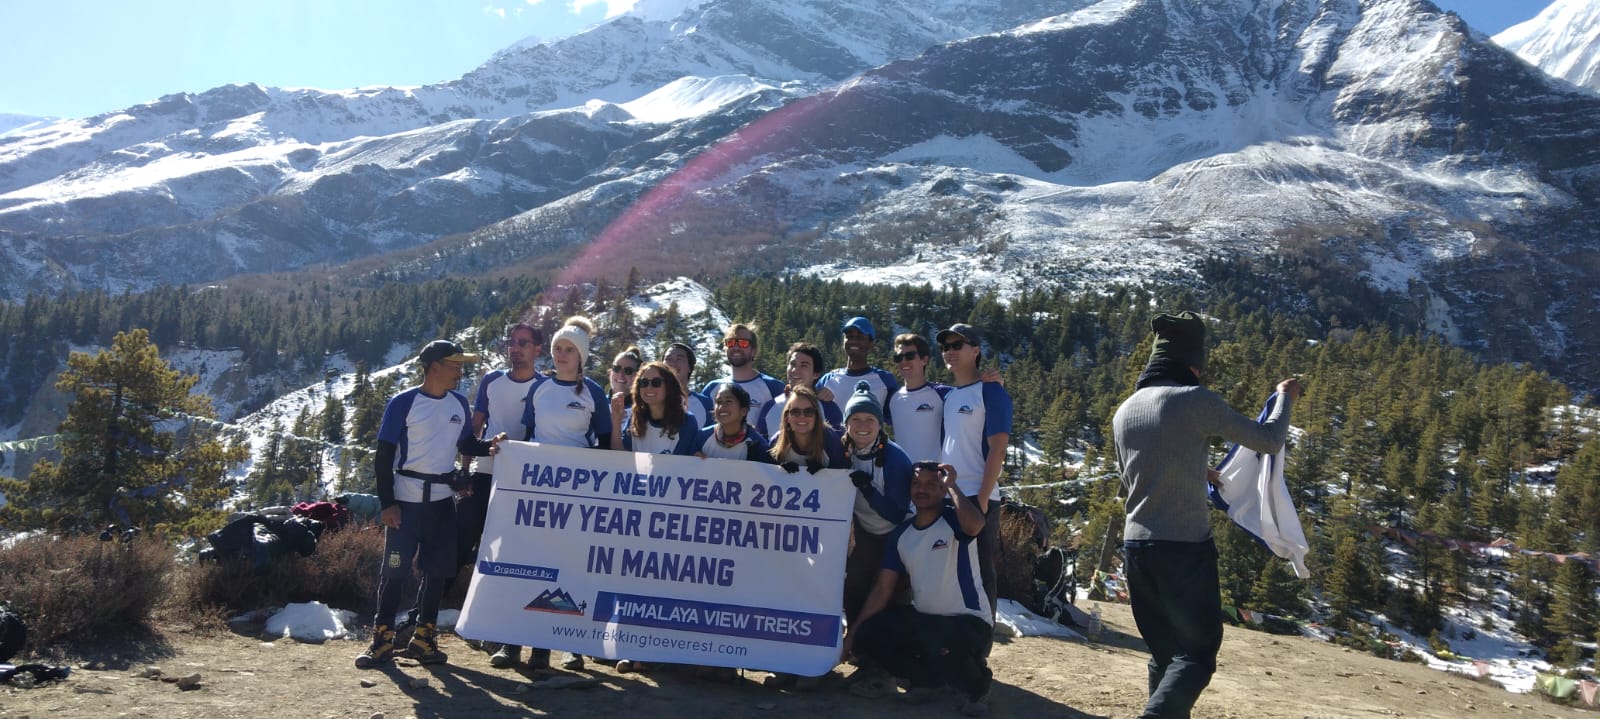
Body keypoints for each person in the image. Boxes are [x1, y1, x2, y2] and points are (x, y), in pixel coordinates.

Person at [1112, 311, 1301, 719]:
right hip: (1183, 547)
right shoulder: (1194, 399)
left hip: (1135, 545)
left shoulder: (1125, 410)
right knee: (1197, 653)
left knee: (1164, 655)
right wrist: (1284, 396)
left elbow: (1133, 480)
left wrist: (1201, 471)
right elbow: (1267, 440)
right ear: (1191, 363)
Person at [356, 340, 505, 669]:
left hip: (441, 505)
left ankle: (423, 640)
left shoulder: (458, 404)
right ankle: (382, 641)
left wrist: (488, 447)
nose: (460, 370)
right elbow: (383, 458)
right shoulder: (403, 403)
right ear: (434, 365)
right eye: (454, 364)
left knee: (436, 573)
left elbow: (465, 443)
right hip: (406, 505)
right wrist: (388, 504)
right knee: (393, 573)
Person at [496, 316, 612, 671]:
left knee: (568, 567)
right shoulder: (540, 388)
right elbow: (528, 436)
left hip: (576, 496)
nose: (561, 355)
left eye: (569, 350)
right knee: (528, 565)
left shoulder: (593, 393)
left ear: (581, 356)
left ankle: (558, 645)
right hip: (537, 492)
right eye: (557, 348)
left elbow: (605, 445)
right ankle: (511, 642)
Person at [843, 461, 992, 716]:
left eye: (931, 484)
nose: (922, 489)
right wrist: (852, 635)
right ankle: (926, 683)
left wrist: (952, 485)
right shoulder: (902, 535)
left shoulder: (954, 520)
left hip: (968, 623)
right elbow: (882, 588)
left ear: (942, 489)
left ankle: (975, 683)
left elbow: (975, 526)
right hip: (925, 620)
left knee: (941, 642)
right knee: (872, 632)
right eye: (916, 483)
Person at [936, 323, 1011, 619]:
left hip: (977, 498)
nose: (950, 351)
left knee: (980, 576)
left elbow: (998, 449)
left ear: (975, 351)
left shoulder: (990, 391)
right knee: (951, 576)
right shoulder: (950, 397)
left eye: (958, 345)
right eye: (946, 346)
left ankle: (980, 647)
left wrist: (981, 500)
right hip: (948, 496)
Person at [459, 323, 542, 586]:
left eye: (523, 343)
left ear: (537, 349)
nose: (515, 348)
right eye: (512, 342)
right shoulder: (491, 380)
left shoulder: (545, 386)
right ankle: (433, 608)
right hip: (485, 471)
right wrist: (464, 470)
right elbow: (475, 426)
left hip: (522, 479)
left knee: (509, 546)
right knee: (464, 536)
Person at [839, 381, 913, 626]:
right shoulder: (842, 451)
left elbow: (895, 513)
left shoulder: (895, 459)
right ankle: (858, 646)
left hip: (899, 534)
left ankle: (885, 655)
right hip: (866, 533)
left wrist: (867, 488)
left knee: (890, 592)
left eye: (869, 419)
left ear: (880, 425)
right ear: (846, 424)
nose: (862, 426)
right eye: (855, 419)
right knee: (854, 585)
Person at [884, 333, 950, 468]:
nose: (904, 361)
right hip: (903, 476)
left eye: (909, 356)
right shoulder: (892, 399)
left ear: (924, 360)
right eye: (899, 357)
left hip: (934, 478)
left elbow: (971, 396)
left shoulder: (943, 394)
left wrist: (992, 384)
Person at [756, 342, 842, 438]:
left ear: (816, 374)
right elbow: (760, 447)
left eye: (804, 365)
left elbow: (838, 447)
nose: (795, 370)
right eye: (792, 364)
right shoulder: (770, 407)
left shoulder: (829, 408)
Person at [611, 361, 698, 456]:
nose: (649, 387)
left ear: (669, 387)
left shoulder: (686, 421)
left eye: (656, 382)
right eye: (644, 382)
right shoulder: (635, 419)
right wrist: (616, 420)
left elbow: (681, 464)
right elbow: (619, 458)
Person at [818, 316, 900, 418]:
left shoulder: (885, 380)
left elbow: (897, 417)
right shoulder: (827, 380)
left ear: (871, 344)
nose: (853, 341)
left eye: (860, 337)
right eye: (849, 337)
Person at [701, 323, 786, 410]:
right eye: (731, 343)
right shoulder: (712, 388)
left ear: (753, 350)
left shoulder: (774, 387)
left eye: (743, 343)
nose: (736, 347)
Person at [768, 385, 848, 473]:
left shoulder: (830, 439)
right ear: (787, 417)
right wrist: (779, 470)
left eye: (808, 412)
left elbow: (842, 474)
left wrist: (825, 473)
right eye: (795, 412)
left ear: (816, 416)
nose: (802, 416)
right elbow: (766, 476)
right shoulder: (777, 442)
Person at [693, 384, 774, 462]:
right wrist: (693, 458)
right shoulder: (702, 437)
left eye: (728, 401)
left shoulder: (757, 444)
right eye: (718, 402)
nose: (721, 407)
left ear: (743, 411)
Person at [664, 342, 714, 430]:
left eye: (679, 359)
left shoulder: (706, 404)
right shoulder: (649, 400)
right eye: (669, 359)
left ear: (690, 367)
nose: (673, 363)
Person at [607, 346, 643, 412]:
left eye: (628, 370)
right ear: (610, 372)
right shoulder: (596, 404)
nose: (621, 374)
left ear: (637, 376)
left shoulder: (643, 409)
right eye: (617, 368)